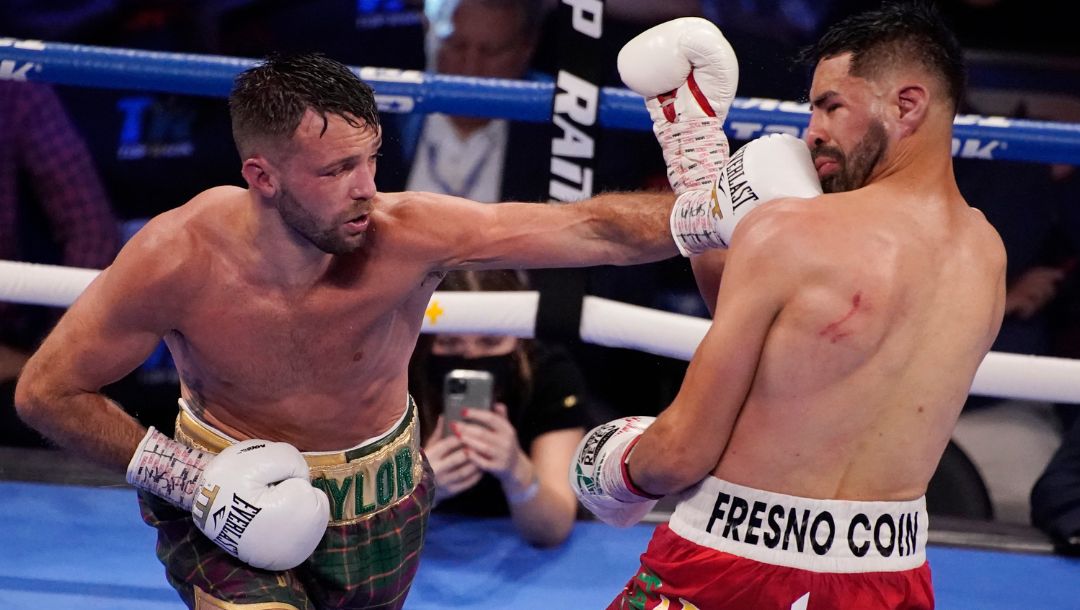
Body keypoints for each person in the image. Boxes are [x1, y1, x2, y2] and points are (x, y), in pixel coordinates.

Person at [13, 53, 680, 610]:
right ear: (262, 177)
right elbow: (47, 391)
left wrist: (734, 208)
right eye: (335, 171)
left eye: (371, 160)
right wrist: (194, 483)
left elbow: (599, 231)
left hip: (381, 500)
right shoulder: (180, 256)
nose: (366, 189)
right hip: (228, 505)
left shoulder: (410, 235)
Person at [570, 5, 1006, 609]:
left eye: (831, 106)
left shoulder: (792, 231)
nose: (813, 132)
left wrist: (613, 469)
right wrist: (698, 165)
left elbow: (677, 455)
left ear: (907, 105)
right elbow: (797, 348)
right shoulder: (987, 254)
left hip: (731, 564)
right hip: (890, 578)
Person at [409, 269, 588, 547]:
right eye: (449, 342)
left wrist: (517, 472)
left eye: (491, 341)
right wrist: (419, 490)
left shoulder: (550, 375)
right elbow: (366, 532)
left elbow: (553, 529)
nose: (471, 356)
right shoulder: (400, 377)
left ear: (518, 337)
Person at [0, 80, 121, 448]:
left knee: (53, 411)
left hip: (17, 343)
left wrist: (54, 358)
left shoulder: (16, 90)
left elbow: (91, 230)